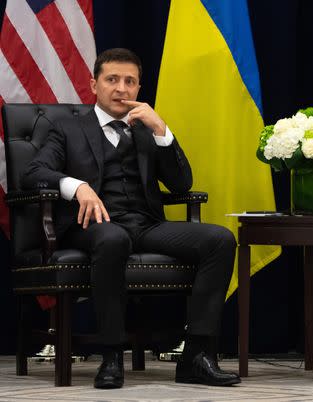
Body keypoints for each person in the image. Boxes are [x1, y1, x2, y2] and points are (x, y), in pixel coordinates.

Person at [21, 48, 240, 389]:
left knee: (220, 239)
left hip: (146, 224)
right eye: (112, 80)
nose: (121, 88)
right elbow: (33, 173)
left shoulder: (144, 130)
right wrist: (76, 186)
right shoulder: (67, 128)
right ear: (94, 85)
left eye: (129, 82)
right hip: (90, 227)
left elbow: (182, 184)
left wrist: (162, 132)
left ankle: (196, 355)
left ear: (139, 88)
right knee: (113, 238)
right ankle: (111, 356)